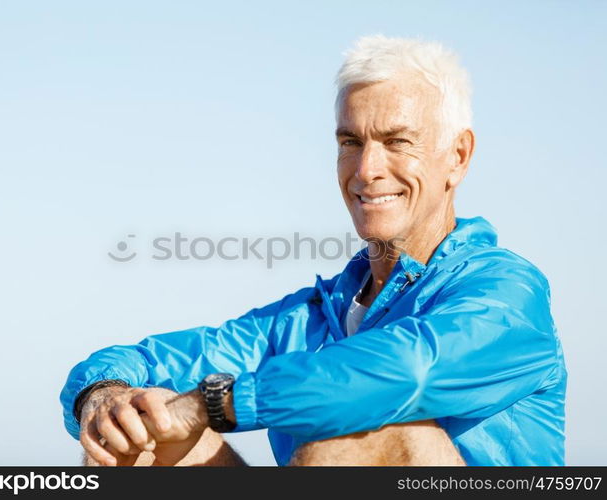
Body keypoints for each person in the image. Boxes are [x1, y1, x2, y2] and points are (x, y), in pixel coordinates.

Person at [59, 35, 566, 466]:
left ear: (457, 156)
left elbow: (405, 371)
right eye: (351, 142)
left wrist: (215, 404)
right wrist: (104, 396)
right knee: (134, 440)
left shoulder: (507, 294)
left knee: (354, 434)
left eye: (397, 142)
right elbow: (144, 361)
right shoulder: (312, 317)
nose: (366, 169)